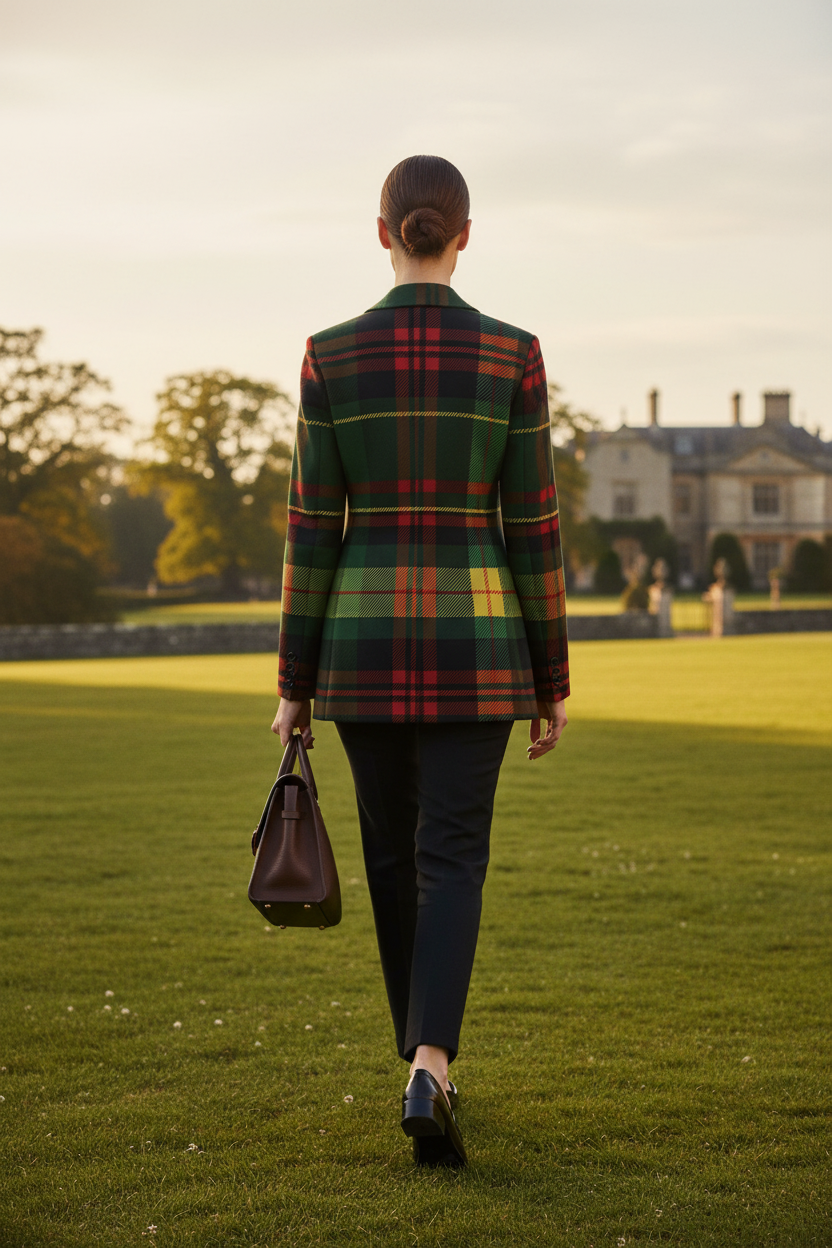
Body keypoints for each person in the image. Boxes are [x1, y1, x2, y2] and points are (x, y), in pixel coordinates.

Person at [272, 155, 569, 1167]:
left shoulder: (327, 353)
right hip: (480, 643)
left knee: (394, 861)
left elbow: (313, 527)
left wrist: (292, 686)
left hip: (359, 644)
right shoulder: (512, 353)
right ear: (464, 235)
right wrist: (552, 678)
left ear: (383, 231)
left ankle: (423, 1065)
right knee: (452, 858)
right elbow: (534, 525)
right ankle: (431, 1063)